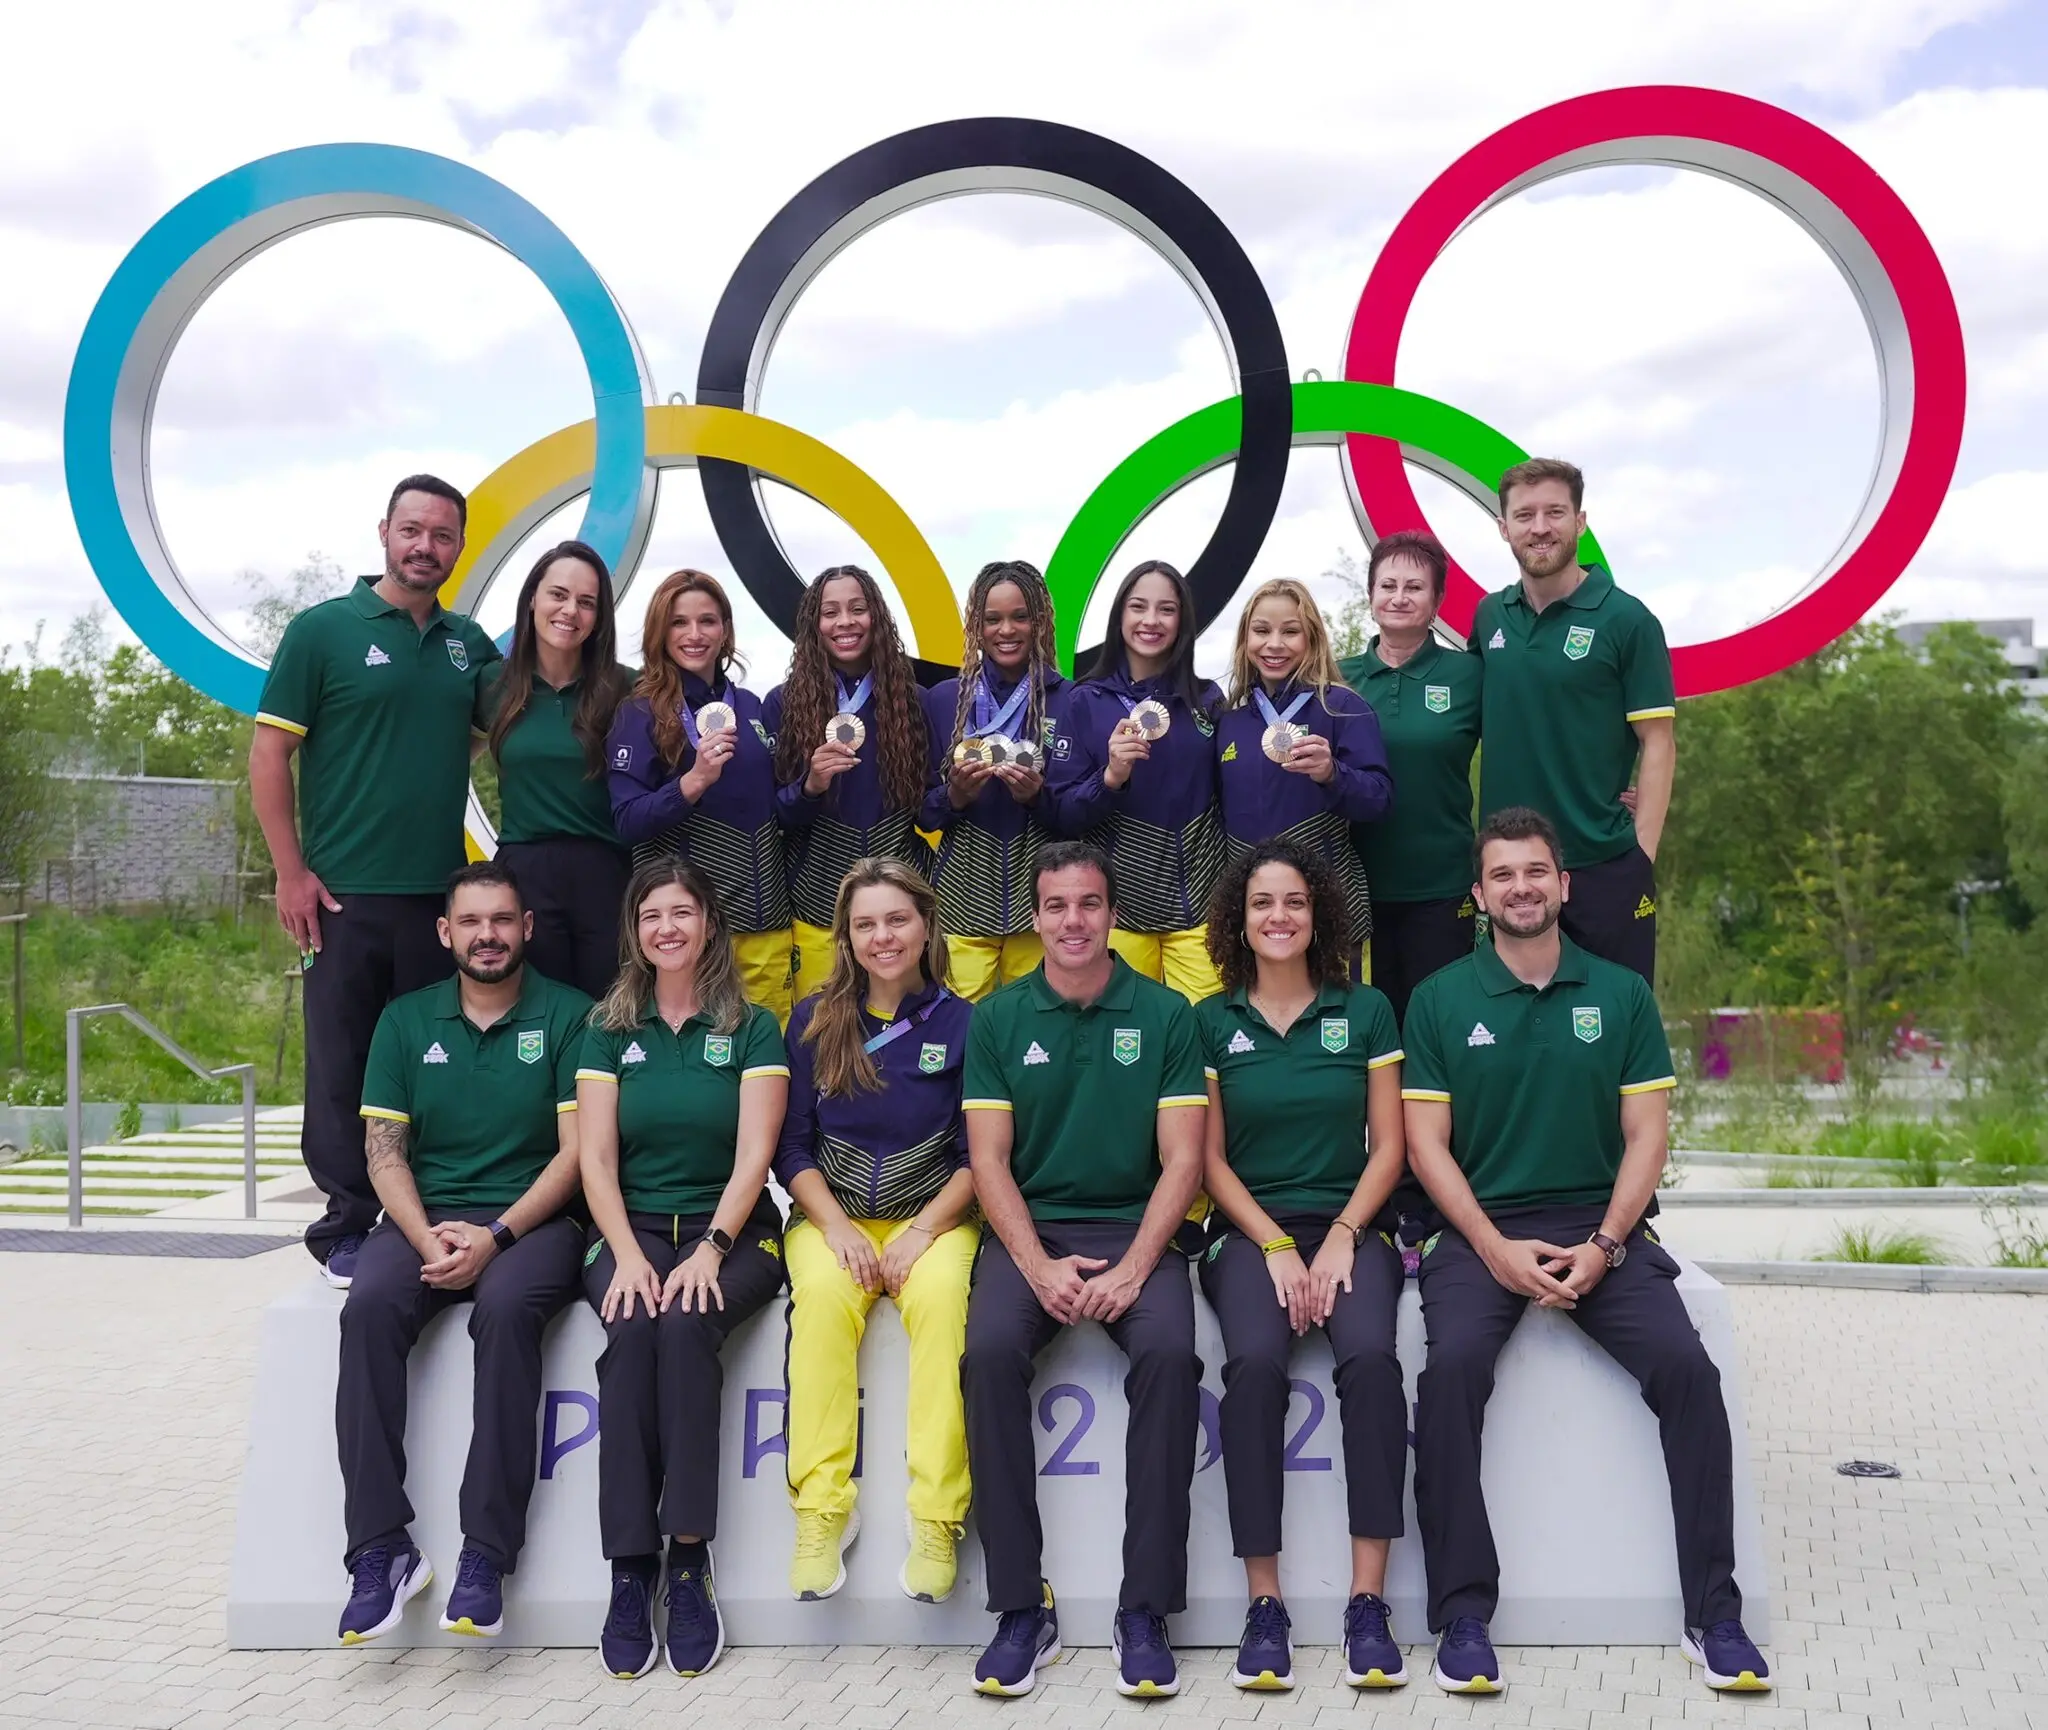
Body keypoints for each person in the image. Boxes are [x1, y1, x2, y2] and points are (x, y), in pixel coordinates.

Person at [1401, 807, 1769, 1696]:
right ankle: (1463, 1617)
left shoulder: (1621, 994)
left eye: (1536, 871)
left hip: (1600, 1225)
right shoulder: (1439, 1000)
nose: (1520, 888)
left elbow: (1647, 1137)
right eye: (1502, 875)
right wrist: (1492, 1248)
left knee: (1689, 1371)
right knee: (1450, 1376)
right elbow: (1426, 1147)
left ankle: (1714, 1615)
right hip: (1481, 1228)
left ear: (1563, 885)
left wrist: (1605, 1244)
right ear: (1478, 895)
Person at [959, 841, 1208, 1700]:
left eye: (1090, 904)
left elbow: (1184, 1162)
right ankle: (1019, 1609)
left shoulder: (1168, 1014)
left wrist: (1135, 1268)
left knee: (1170, 1357)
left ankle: (1145, 1610)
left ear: (1113, 913)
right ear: (1034, 918)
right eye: (1058, 905)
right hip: (1031, 1232)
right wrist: (1036, 1267)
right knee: (988, 1357)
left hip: (1139, 1229)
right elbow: (989, 1162)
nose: (1075, 921)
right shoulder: (997, 1018)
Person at [252, 474, 500, 1287]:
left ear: (458, 547)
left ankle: (424, 1218)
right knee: (343, 1066)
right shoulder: (323, 632)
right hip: (341, 897)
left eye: (442, 535)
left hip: (438, 901)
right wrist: (290, 872)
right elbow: (269, 754)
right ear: (385, 533)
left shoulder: (468, 645)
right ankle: (346, 1229)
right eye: (413, 530)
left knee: (430, 1063)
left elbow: (512, 723)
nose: (426, 547)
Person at [335, 861, 591, 1646]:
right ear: (446, 932)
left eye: (502, 920)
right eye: (472, 922)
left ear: (527, 928)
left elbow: (577, 1153)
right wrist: (424, 1237)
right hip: (425, 1218)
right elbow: (384, 1154)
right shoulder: (405, 1021)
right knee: (368, 1308)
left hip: (533, 1224)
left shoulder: (571, 1015)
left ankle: (486, 1554)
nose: (488, 936)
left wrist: (497, 1236)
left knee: (506, 1312)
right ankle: (380, 1549)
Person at [1196, 839, 1410, 1693]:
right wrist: (1277, 1246)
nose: (1278, 916)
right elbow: (1208, 1161)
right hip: (1250, 1231)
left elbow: (1390, 1146)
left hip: (1352, 1223)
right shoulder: (1210, 1020)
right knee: (1253, 1365)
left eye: (1293, 901)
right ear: (1239, 920)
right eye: (1262, 903)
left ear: (1318, 914)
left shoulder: (1367, 1011)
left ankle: (1368, 1604)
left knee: (1372, 1361)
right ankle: (1265, 1605)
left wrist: (1346, 1233)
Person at [574, 858, 790, 1681]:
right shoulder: (607, 1027)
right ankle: (631, 1569)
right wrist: (628, 1256)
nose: (666, 928)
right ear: (635, 931)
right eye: (651, 916)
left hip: (730, 1230)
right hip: (627, 1229)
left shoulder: (752, 1026)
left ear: (709, 923)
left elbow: (755, 1155)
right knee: (633, 1325)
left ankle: (690, 1559)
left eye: (681, 913)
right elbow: (595, 1159)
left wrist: (712, 1248)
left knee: (688, 1319)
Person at [775, 858, 977, 1605]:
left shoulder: (966, 1023)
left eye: (897, 919)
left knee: (947, 1304)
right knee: (824, 1304)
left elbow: (980, 1158)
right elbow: (792, 1149)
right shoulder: (812, 1018)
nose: (882, 937)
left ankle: (937, 1517)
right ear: (846, 936)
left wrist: (923, 1232)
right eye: (865, 924)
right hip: (833, 1219)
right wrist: (838, 1229)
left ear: (926, 925)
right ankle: (822, 1510)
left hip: (937, 1219)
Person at [1470, 458, 1675, 984]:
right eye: (1525, 515)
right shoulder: (1490, 616)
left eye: (1555, 513)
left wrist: (1642, 855)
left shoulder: (1628, 620)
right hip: (1510, 874)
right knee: (1515, 1022)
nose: (1540, 527)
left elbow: (1657, 741)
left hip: (1602, 866)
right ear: (1504, 528)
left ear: (1580, 522)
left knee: (1614, 1022)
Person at [606, 569, 794, 1022]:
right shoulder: (638, 711)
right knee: (700, 1053)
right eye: (679, 622)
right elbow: (626, 821)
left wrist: (811, 787)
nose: (695, 634)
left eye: (707, 621)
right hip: (693, 935)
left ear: (725, 629)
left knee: (770, 1050)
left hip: (766, 924)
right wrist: (692, 782)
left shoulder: (750, 705)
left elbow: (775, 808)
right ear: (660, 631)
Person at [1047, 559, 1224, 1002]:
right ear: (1119, 615)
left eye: (1166, 609)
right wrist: (1110, 777)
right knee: (1123, 1033)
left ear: (1183, 620)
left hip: (1200, 909)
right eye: (1138, 606)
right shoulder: (1084, 700)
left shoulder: (1207, 699)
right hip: (1119, 912)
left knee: (1205, 1030)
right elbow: (1061, 814)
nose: (1151, 620)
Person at [767, 564, 932, 1005]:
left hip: (898, 907)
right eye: (830, 612)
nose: (845, 622)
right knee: (821, 1025)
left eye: (858, 609)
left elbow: (931, 809)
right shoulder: (783, 703)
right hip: (816, 904)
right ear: (813, 624)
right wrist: (811, 785)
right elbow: (776, 814)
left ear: (876, 617)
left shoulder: (913, 700)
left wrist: (959, 792)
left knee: (900, 1020)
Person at [1338, 531, 1483, 1025]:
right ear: (1371, 594)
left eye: (1415, 587)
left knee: (1436, 1027)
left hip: (1442, 885)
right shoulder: (1336, 678)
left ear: (1437, 600)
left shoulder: (1470, 675)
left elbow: (1523, 746)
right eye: (1388, 585)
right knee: (1361, 1032)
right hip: (1351, 887)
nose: (1399, 597)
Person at [1216, 579, 1392, 973]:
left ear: (1311, 638)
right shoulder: (1229, 720)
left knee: (1337, 1008)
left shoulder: (1343, 708)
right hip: (1253, 912)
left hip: (1329, 905)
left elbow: (1379, 800)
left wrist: (1332, 773)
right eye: (1261, 631)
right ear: (1245, 639)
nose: (1274, 644)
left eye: (1290, 631)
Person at [484, 540, 633, 1000]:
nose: (570, 610)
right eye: (558, 594)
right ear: (533, 598)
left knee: (608, 1015)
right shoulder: (492, 684)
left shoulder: (627, 687)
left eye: (586, 602)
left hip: (606, 875)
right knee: (535, 1013)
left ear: (599, 617)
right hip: (524, 871)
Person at [921, 558, 1072, 1001]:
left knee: (1041, 1024)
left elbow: (1080, 813)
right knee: (959, 1027)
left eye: (1020, 616)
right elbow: (922, 812)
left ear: (1039, 622)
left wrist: (1038, 798)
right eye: (993, 619)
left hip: (1040, 903)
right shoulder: (942, 700)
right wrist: (955, 795)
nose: (1007, 630)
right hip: (962, 900)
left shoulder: (1070, 698)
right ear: (976, 626)